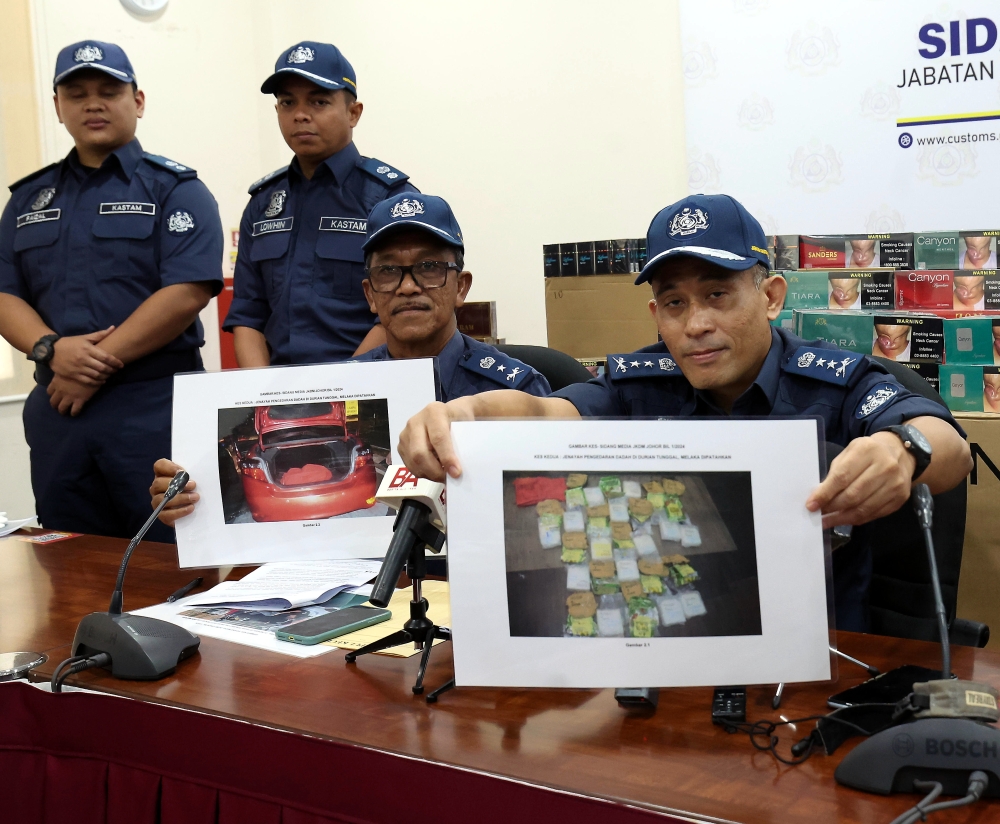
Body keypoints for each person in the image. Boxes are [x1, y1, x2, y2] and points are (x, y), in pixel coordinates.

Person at [397, 194, 972, 631]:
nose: (695, 324)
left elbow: (945, 443)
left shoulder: (834, 381)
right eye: (674, 303)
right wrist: (467, 412)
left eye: (717, 294)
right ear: (656, 313)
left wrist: (904, 449)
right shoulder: (641, 386)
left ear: (769, 296)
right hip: (664, 641)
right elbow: (544, 415)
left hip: (812, 658)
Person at [150, 192, 550, 524]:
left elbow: (542, 510)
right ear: (370, 295)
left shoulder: (515, 390)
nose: (409, 286)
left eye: (429, 268)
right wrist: (190, 501)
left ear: (461, 287)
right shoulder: (340, 385)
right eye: (389, 272)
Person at [0, 41, 222, 542]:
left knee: (171, 559)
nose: (92, 104)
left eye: (108, 91)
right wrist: (52, 350)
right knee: (69, 561)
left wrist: (92, 367)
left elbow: (187, 290)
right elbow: (4, 293)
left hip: (155, 406)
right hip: (59, 410)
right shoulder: (28, 200)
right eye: (76, 94)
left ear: (138, 101)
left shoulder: (175, 189)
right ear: (57, 107)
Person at [223, 41, 416, 368]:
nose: (300, 114)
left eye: (319, 101)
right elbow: (247, 314)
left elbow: (400, 314)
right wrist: (262, 395)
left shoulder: (390, 200)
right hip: (277, 395)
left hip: (368, 389)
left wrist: (338, 390)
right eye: (287, 102)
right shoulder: (263, 204)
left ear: (353, 113)